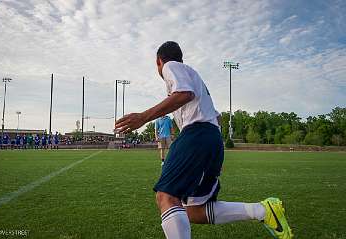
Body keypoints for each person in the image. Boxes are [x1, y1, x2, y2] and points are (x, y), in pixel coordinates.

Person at [115, 41, 292, 239]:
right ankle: (262, 211)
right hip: (209, 138)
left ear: (159, 61)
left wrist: (143, 117)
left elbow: (184, 94)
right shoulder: (194, 77)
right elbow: (217, 117)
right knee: (194, 211)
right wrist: (210, 154)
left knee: (166, 196)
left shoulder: (171, 66)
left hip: (197, 135)